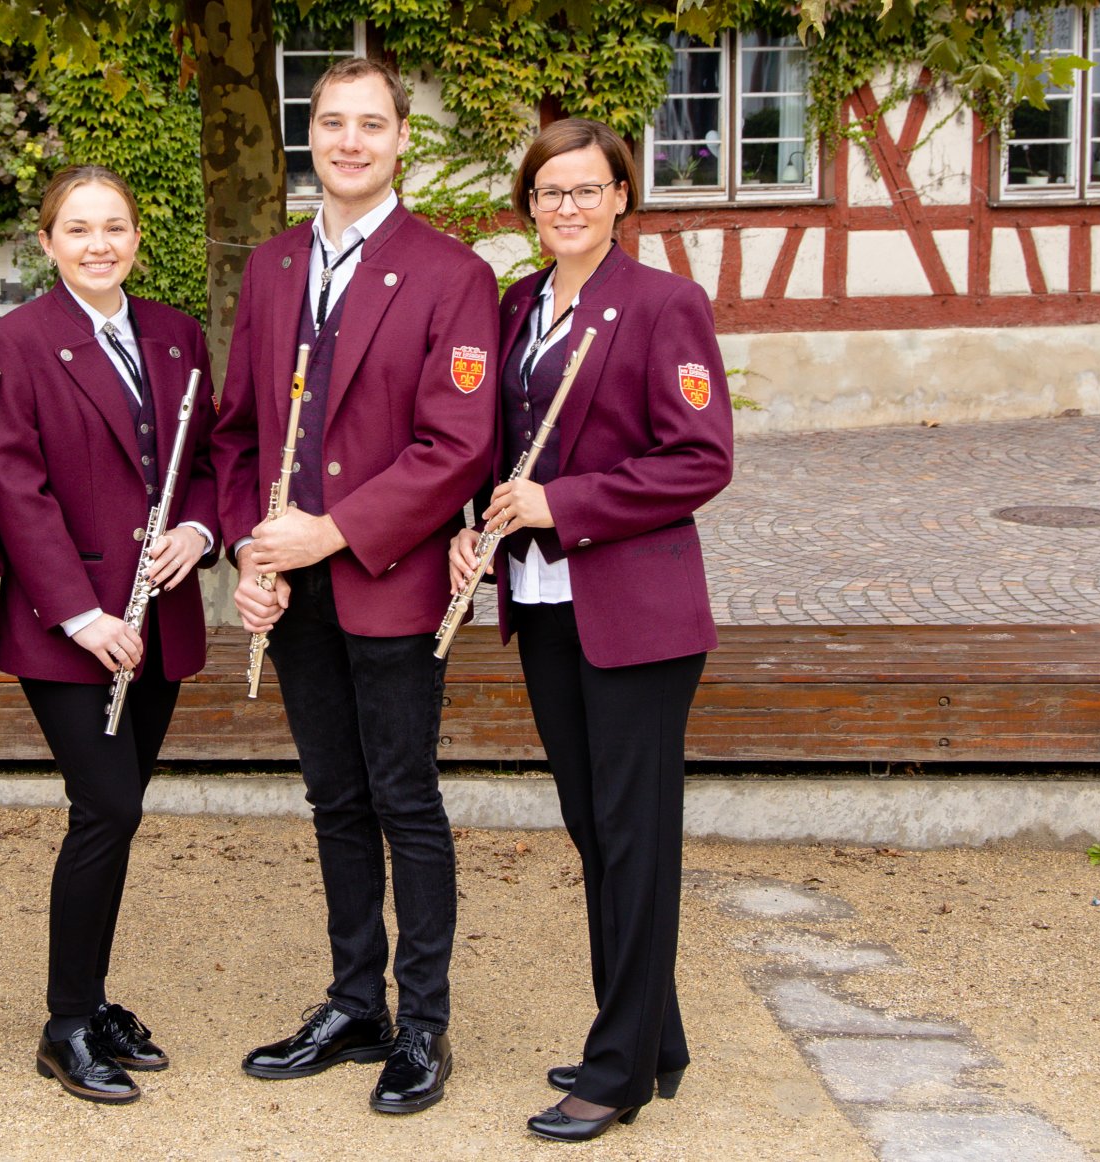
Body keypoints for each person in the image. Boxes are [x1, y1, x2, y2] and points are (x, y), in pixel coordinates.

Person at [210, 57, 498, 1115]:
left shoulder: (451, 273)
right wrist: (253, 545)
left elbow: (456, 445)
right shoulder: (273, 266)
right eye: (332, 123)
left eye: (371, 125)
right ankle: (353, 1001)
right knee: (333, 797)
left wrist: (331, 531)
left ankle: (421, 1021)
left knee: (403, 797)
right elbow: (238, 430)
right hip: (298, 589)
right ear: (311, 136)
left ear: (400, 142)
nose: (350, 141)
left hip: (389, 574)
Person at [447, 118, 734, 1142]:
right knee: (595, 832)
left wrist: (562, 506)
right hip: (544, 606)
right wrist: (470, 522)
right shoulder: (520, 305)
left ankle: (616, 1071)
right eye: (547, 193)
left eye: (586, 189)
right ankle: (654, 1038)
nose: (565, 208)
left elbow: (700, 460)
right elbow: (495, 446)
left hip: (638, 615)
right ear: (529, 208)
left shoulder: (663, 305)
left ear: (622, 197)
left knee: (633, 838)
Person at [0, 165, 218, 1105]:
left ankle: (94, 997)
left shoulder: (176, 333)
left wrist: (199, 533)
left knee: (114, 815)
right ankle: (66, 1022)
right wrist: (80, 614)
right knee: (108, 808)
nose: (97, 245)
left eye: (113, 227)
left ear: (135, 236)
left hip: (157, 615)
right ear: (47, 243)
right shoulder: (15, 341)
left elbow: (207, 457)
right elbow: (15, 486)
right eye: (77, 230)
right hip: (68, 626)